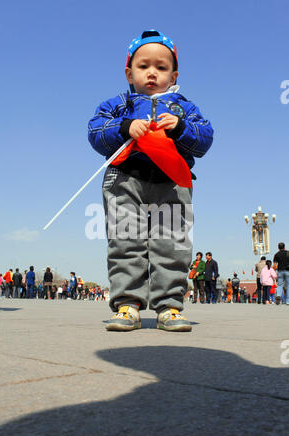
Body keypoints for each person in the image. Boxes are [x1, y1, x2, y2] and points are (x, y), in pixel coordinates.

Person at [88, 30, 213, 331]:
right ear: (129, 73)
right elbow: (95, 131)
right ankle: (127, 304)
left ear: (174, 74)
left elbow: (205, 139)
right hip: (125, 179)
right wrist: (124, 127)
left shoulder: (186, 108)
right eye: (144, 67)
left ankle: (169, 306)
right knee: (125, 239)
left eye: (161, 67)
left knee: (171, 243)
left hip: (171, 180)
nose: (152, 74)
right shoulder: (118, 105)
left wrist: (181, 127)